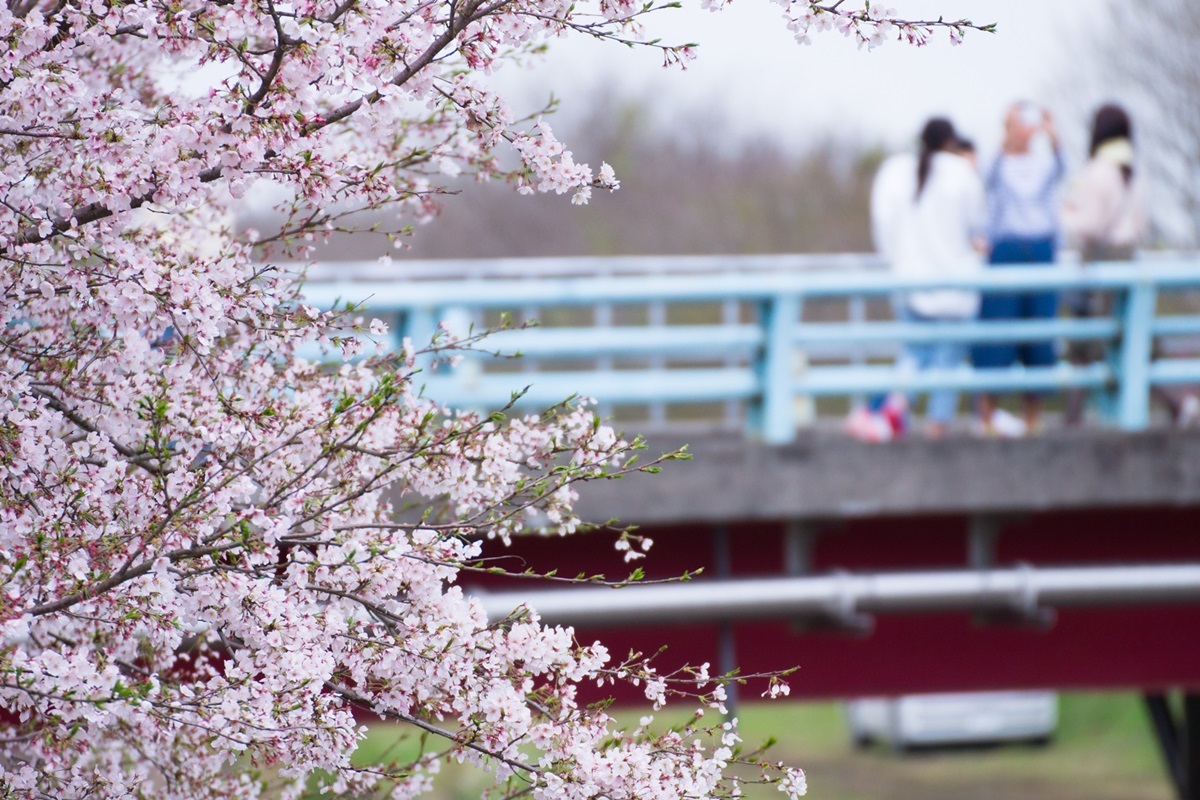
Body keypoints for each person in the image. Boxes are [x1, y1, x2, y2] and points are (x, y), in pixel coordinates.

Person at [1060, 104, 1198, 426]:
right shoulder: (1134, 173)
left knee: (1089, 339)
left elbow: (1089, 226)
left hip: (1100, 263)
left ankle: (1072, 419)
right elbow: (1140, 225)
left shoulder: (1096, 171)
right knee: (1135, 340)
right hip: (1129, 261)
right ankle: (1180, 403)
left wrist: (1066, 214)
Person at [856, 118, 986, 439]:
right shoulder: (961, 173)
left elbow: (883, 227)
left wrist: (897, 262)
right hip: (956, 285)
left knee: (914, 354)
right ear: (952, 142)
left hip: (909, 280)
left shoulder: (895, 171)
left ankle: (893, 412)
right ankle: (935, 426)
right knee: (948, 360)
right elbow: (979, 230)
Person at [973, 102, 1066, 436]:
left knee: (1039, 337)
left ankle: (1032, 417)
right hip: (1006, 251)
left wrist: (1052, 135)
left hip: (1041, 251)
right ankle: (987, 416)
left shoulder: (1044, 163)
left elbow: (1061, 168)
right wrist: (1008, 135)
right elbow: (985, 180)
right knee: (996, 336)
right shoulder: (997, 162)